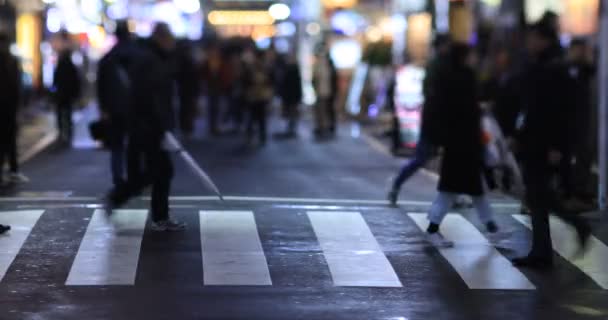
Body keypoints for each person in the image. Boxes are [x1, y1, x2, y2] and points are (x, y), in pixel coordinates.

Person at [510, 22, 590, 268]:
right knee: (538, 196)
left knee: (539, 194)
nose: (529, 42)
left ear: (544, 40)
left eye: (534, 38)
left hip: (543, 143)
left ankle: (570, 230)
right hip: (533, 140)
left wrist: (556, 146)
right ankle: (541, 250)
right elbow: (529, 105)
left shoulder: (554, 68)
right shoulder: (538, 65)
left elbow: (558, 111)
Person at [420, 43, 506, 247]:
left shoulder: (446, 77)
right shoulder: (464, 77)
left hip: (456, 142)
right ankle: (433, 229)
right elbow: (468, 109)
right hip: (465, 142)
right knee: (455, 190)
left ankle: (492, 227)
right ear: (464, 56)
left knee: (470, 189)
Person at [106, 23, 185, 232]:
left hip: (146, 125)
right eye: (170, 39)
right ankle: (125, 200)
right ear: (161, 38)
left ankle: (149, 210)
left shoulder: (151, 58)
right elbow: (152, 97)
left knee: (157, 171)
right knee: (158, 171)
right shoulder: (151, 61)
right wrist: (162, 126)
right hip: (149, 126)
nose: (173, 43)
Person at [387, 34, 451, 205]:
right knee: (424, 158)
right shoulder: (439, 65)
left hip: (436, 119)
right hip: (436, 120)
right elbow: (433, 93)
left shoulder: (439, 65)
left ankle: (450, 195)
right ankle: (396, 185)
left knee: (437, 159)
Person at [97, 21, 138, 187]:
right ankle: (135, 176)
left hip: (114, 108)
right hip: (135, 107)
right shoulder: (138, 56)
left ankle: (118, 178)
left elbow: (101, 86)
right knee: (136, 144)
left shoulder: (108, 58)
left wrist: (104, 108)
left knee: (117, 145)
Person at [561, 38, 595, 203]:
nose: (580, 53)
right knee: (567, 155)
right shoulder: (562, 67)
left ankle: (579, 190)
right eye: (578, 49)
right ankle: (567, 190)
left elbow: (592, 69)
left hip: (582, 118)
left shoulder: (585, 69)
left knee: (583, 154)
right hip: (566, 118)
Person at [0, 32, 28, 186]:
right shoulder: (11, 61)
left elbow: (16, 85)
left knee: (9, 139)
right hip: (8, 106)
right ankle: (12, 170)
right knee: (9, 140)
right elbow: (16, 85)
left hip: (9, 106)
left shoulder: (12, 61)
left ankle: (12, 170)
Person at [53, 30, 81, 144]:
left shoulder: (61, 66)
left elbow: (56, 80)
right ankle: (67, 134)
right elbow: (76, 81)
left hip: (61, 94)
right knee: (67, 114)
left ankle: (62, 133)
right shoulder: (71, 67)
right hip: (67, 94)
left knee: (61, 114)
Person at [244, 50, 273, 146]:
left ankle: (261, 136)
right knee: (253, 117)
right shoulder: (251, 68)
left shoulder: (266, 68)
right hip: (253, 96)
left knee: (261, 117)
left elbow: (271, 81)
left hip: (261, 96)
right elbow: (246, 82)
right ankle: (251, 135)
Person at [312, 45, 338, 137]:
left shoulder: (329, 66)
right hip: (321, 92)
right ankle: (322, 127)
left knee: (328, 110)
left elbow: (333, 80)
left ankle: (329, 127)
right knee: (321, 110)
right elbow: (315, 79)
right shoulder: (318, 66)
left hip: (328, 92)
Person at [279, 53, 303, 137]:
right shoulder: (287, 69)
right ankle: (290, 128)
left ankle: (292, 128)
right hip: (289, 95)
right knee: (290, 113)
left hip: (293, 95)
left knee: (293, 112)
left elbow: (298, 84)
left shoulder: (294, 70)